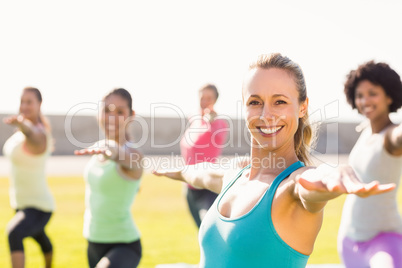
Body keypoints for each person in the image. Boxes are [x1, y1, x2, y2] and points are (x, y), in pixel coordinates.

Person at [153, 53, 396, 267]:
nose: (266, 114)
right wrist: (176, 171)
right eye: (255, 102)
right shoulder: (234, 176)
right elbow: (200, 173)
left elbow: (312, 181)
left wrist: (336, 173)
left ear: (302, 107)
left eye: (279, 102)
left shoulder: (293, 188)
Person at [337, 61, 402, 268]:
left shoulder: (390, 137)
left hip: (383, 243)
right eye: (360, 95)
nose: (365, 100)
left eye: (372, 93)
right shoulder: (366, 130)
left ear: (389, 96)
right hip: (349, 241)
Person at [75, 88, 143, 268]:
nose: (112, 117)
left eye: (120, 112)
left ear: (131, 115)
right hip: (93, 240)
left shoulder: (133, 154)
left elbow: (129, 161)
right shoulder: (97, 149)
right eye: (106, 110)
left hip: (124, 244)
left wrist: (114, 151)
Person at [2, 87, 54, 268]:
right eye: (22, 101)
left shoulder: (40, 134)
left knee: (14, 233)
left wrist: (23, 125)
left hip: (39, 206)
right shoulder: (19, 134)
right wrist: (21, 126)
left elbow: (33, 134)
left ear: (39, 104)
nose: (24, 106)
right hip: (21, 204)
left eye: (29, 102)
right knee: (40, 237)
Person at [180, 84, 228, 228]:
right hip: (189, 187)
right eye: (202, 97)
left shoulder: (219, 123)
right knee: (200, 232)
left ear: (215, 100)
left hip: (207, 188)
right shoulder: (194, 121)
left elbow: (219, 133)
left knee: (210, 230)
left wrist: (211, 121)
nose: (205, 101)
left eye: (209, 98)